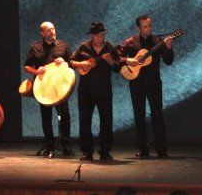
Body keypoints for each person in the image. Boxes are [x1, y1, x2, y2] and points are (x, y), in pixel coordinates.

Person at [122, 14, 174, 159]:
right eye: (145, 26)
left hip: (154, 83)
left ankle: (161, 150)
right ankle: (143, 149)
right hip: (136, 83)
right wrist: (128, 59)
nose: (149, 28)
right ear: (138, 28)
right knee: (139, 116)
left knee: (157, 115)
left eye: (150, 25)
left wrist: (169, 48)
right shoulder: (131, 42)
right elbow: (117, 58)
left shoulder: (158, 40)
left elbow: (168, 60)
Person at [70, 22, 121, 161]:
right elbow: (70, 62)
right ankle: (87, 151)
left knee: (106, 121)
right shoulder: (83, 47)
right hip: (86, 90)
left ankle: (105, 151)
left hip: (104, 89)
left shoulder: (110, 48)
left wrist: (110, 61)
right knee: (85, 120)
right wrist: (83, 64)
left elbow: (117, 68)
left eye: (103, 34)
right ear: (92, 36)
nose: (101, 37)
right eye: (99, 35)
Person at [24, 21, 73, 158]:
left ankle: (66, 145)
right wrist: (36, 71)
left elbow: (72, 63)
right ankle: (49, 145)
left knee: (65, 115)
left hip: (60, 86)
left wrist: (64, 62)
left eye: (53, 29)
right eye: (48, 30)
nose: (52, 32)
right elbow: (26, 66)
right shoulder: (36, 47)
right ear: (42, 33)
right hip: (43, 88)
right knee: (46, 117)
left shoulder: (63, 45)